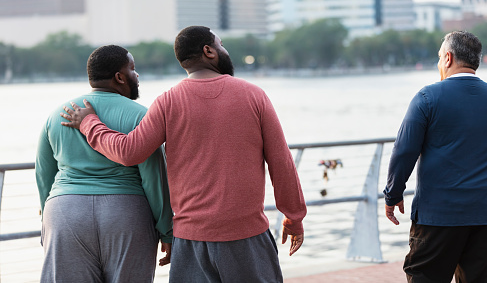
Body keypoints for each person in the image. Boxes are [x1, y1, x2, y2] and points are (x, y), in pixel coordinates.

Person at [60, 26, 307, 282]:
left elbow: (128, 151)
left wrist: (89, 122)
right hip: (246, 236)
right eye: (221, 45)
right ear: (209, 51)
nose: (225, 51)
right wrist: (294, 216)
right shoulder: (254, 96)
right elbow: (281, 162)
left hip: (191, 241)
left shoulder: (168, 101)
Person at [383, 31, 487, 282]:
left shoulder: (427, 98)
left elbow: (404, 151)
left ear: (447, 57)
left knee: (425, 275)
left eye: (438, 57)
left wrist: (393, 193)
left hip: (440, 213)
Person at [36, 45, 173, 283]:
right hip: (125, 214)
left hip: (65, 212)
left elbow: (44, 175)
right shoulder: (141, 116)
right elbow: (154, 179)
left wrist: (48, 221)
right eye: (133, 68)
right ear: (119, 77)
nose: (137, 75)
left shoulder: (58, 113)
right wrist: (167, 231)